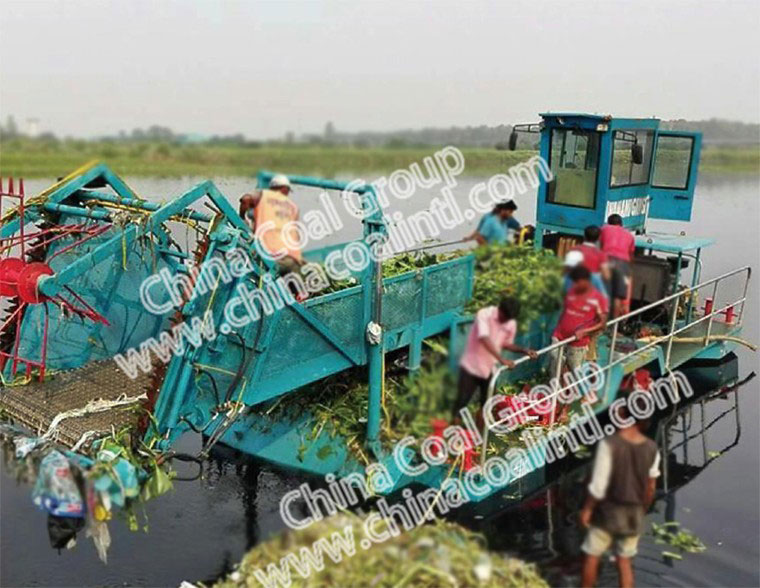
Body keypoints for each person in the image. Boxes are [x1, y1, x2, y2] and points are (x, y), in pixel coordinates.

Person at [579, 399, 660, 588]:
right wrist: (643, 508)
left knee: (592, 557)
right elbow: (650, 487)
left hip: (609, 512)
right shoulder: (651, 448)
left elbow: (599, 486)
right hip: (634, 513)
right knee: (624, 562)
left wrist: (588, 510)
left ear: (623, 416)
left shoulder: (610, 445)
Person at [453, 297, 537, 421]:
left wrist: (524, 350)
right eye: (503, 317)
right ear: (499, 309)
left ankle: (480, 435)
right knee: (461, 403)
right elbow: (484, 338)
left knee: (487, 405)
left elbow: (506, 344)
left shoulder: (510, 323)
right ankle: (453, 432)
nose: (505, 321)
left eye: (508, 319)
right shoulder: (484, 314)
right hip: (471, 366)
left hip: (489, 368)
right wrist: (502, 359)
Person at [549, 265, 608, 379]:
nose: (575, 285)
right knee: (554, 367)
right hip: (559, 336)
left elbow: (603, 323)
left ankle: (578, 393)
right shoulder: (571, 291)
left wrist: (585, 332)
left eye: (578, 282)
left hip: (577, 342)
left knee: (575, 374)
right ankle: (555, 393)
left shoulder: (598, 298)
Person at [239, 174, 304, 276]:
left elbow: (245, 199)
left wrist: (242, 218)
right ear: (285, 189)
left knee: (260, 279)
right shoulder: (293, 207)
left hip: (268, 255)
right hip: (289, 258)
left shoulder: (263, 195)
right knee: (294, 285)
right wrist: (299, 258)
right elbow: (295, 235)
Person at [599, 214, 635, 317]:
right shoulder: (629, 235)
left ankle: (599, 320)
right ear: (621, 224)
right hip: (623, 263)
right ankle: (614, 325)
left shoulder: (604, 229)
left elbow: (599, 247)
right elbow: (631, 254)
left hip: (607, 260)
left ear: (609, 222)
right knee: (617, 296)